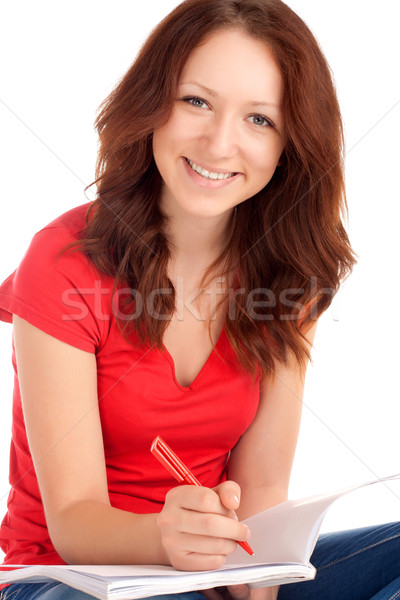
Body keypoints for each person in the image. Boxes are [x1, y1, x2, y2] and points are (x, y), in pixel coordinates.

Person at [0, 1, 399, 599]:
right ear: (153, 103)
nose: (219, 143)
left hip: (214, 570)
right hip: (68, 579)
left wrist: (249, 585)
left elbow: (261, 491)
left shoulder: (290, 277)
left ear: (291, 144)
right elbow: (74, 520)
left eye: (259, 120)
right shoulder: (63, 261)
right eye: (197, 101)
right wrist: (170, 542)